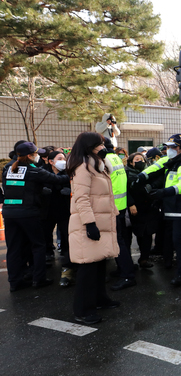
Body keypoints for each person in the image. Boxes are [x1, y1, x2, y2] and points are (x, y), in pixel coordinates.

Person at [67, 132, 120, 324]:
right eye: (100, 144)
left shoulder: (95, 165)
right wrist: (90, 224)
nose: (102, 147)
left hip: (101, 222)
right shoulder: (83, 167)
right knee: (87, 269)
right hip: (88, 224)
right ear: (90, 146)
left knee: (98, 264)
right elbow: (81, 198)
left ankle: (99, 300)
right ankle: (83, 310)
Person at [2, 142, 70, 292]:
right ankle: (39, 279)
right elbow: (57, 179)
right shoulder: (33, 171)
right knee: (38, 245)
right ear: (30, 155)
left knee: (13, 248)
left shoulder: (8, 168)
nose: (38, 156)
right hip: (28, 213)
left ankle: (15, 282)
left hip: (9, 212)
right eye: (36, 153)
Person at [147, 134, 181, 286]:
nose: (169, 150)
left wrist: (163, 192)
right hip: (176, 208)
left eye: (173, 147)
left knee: (179, 241)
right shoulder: (172, 163)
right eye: (168, 147)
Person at [103, 139, 136, 291]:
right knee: (120, 240)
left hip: (112, 207)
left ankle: (128, 275)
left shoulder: (104, 160)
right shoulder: (115, 157)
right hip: (120, 206)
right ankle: (124, 269)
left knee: (118, 242)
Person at [42, 151, 75, 286]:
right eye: (59, 158)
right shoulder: (42, 173)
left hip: (64, 212)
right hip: (47, 212)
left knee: (67, 240)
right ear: (51, 161)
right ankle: (40, 269)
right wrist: (41, 192)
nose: (63, 160)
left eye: (64, 158)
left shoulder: (69, 173)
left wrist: (70, 192)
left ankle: (67, 269)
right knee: (43, 238)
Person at [124, 152, 159, 269]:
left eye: (142, 159)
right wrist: (131, 204)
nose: (140, 161)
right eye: (136, 159)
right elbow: (125, 190)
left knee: (148, 234)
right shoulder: (126, 173)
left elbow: (157, 182)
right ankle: (129, 262)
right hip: (135, 208)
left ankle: (144, 258)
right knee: (137, 234)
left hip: (149, 207)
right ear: (130, 162)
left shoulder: (148, 171)